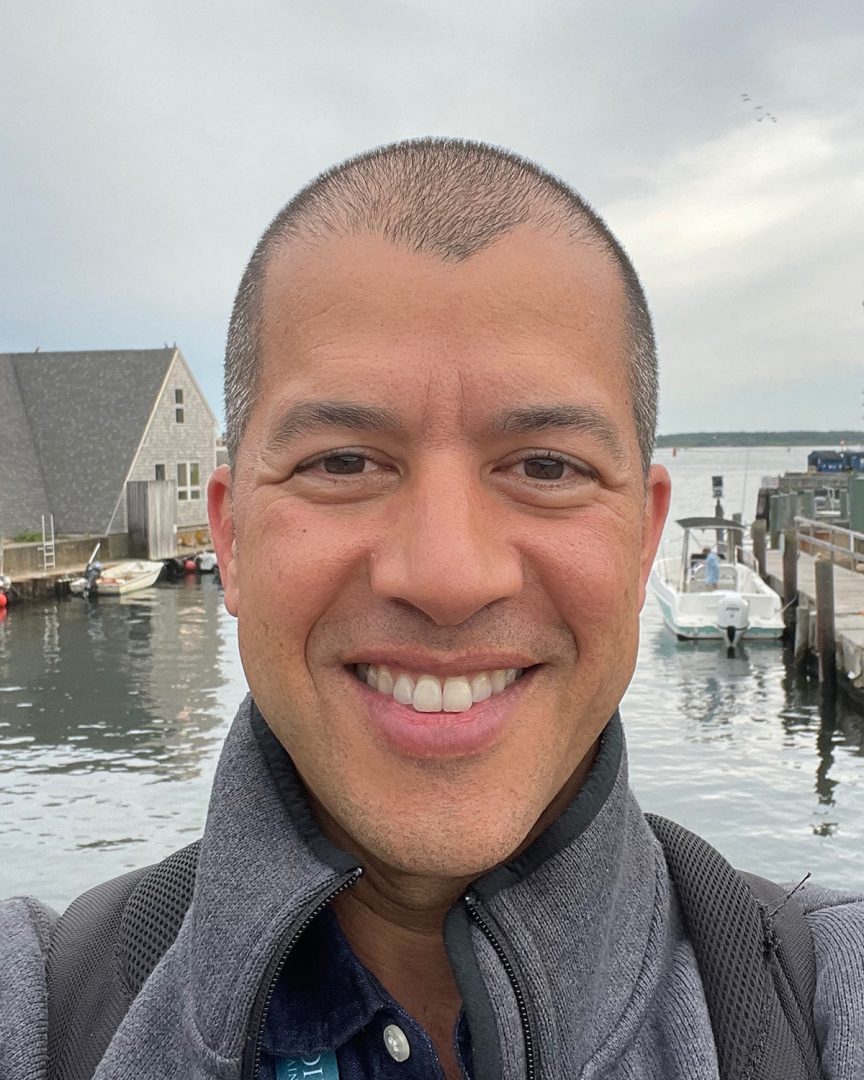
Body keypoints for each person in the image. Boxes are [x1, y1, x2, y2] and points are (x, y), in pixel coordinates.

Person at [3, 138, 863, 1080]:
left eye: (545, 467)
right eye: (342, 462)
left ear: (642, 537)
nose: (448, 575)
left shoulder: (823, 1004)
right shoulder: (43, 1013)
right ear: (233, 536)